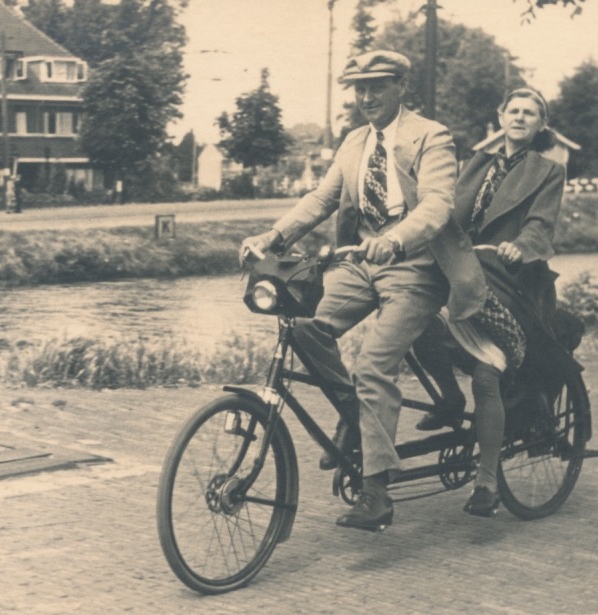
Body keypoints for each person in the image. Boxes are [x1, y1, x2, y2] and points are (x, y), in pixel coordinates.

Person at [240, 50, 487, 531]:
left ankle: (376, 493)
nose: (367, 96)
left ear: (401, 86)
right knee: (304, 326)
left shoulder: (431, 136)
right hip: (361, 263)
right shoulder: (355, 141)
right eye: (359, 88)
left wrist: (395, 239)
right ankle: (356, 417)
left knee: (373, 366)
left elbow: (437, 205)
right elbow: (322, 199)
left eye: (377, 86)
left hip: (415, 265)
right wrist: (272, 236)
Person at [410, 86, 568, 517]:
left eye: (529, 113)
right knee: (414, 323)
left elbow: (541, 225)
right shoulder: (476, 163)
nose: (519, 118)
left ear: (540, 124)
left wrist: (521, 246)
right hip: (461, 271)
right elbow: (444, 211)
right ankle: (449, 398)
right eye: (513, 110)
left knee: (487, 375)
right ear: (500, 116)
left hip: (510, 282)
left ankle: (486, 483)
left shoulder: (548, 170)